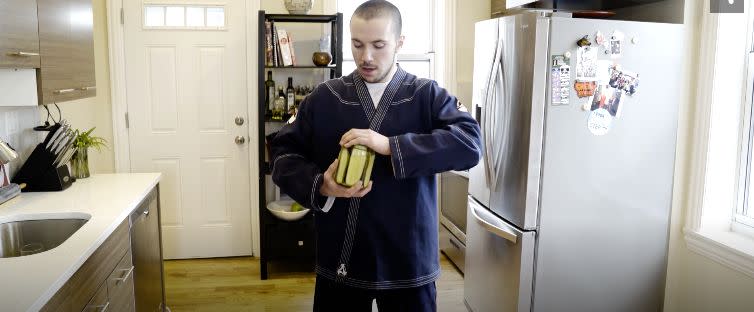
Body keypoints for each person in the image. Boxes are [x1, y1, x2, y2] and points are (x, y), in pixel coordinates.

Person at [270, 1, 481, 311]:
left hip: (409, 264)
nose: (366, 56)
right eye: (357, 45)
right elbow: (282, 152)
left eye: (378, 45)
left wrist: (391, 146)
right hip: (340, 262)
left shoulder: (427, 95)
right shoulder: (324, 97)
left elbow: (470, 143)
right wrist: (321, 185)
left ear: (399, 43)